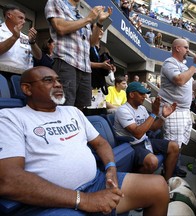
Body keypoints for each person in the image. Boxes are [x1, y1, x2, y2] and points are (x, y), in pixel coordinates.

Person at [0, 66, 169, 216]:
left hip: (97, 182)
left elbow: (101, 143)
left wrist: (111, 168)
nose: (58, 84)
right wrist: (84, 199)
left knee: (159, 187)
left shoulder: (73, 112)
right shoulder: (10, 118)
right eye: (48, 80)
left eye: (59, 80)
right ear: (27, 89)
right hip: (49, 203)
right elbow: (8, 179)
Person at [158, 38, 196, 176]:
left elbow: (191, 85)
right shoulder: (169, 63)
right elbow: (179, 80)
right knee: (173, 144)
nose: (189, 51)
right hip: (173, 111)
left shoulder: (184, 67)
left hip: (184, 111)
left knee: (180, 144)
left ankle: (174, 166)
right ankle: (168, 174)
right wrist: (195, 65)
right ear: (177, 48)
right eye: (186, 47)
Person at [45, 0, 112, 109]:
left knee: (80, 109)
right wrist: (89, 19)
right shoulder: (56, 2)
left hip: (84, 68)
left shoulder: (80, 15)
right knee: (64, 106)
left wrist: (99, 23)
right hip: (66, 62)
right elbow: (60, 28)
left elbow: (91, 42)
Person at [114, 82, 179, 181]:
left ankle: (167, 181)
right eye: (141, 94)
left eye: (145, 94)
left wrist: (163, 116)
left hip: (145, 141)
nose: (144, 96)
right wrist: (153, 114)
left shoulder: (142, 108)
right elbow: (138, 134)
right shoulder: (123, 110)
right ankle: (133, 182)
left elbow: (152, 127)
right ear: (131, 94)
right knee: (152, 162)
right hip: (132, 145)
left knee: (174, 146)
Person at [0, 4, 41, 70]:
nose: (24, 22)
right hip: (2, 74)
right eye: (20, 18)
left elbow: (39, 56)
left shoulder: (25, 37)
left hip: (22, 76)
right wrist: (14, 37)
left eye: (24, 19)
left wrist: (32, 42)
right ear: (9, 15)